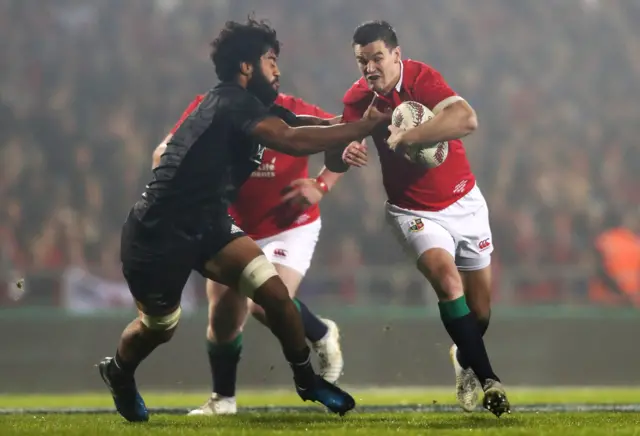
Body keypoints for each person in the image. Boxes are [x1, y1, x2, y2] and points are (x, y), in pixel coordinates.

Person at [97, 17, 388, 422]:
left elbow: (301, 123)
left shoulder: (253, 105)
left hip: (212, 223)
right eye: (271, 60)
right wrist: (360, 127)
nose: (278, 69)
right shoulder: (229, 103)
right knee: (159, 327)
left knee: (272, 296)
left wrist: (357, 127)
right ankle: (119, 373)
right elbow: (289, 138)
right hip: (159, 232)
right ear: (246, 67)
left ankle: (307, 382)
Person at [151, 90, 367, 415]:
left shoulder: (297, 111)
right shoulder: (210, 106)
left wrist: (321, 185)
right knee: (223, 317)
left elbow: (349, 136)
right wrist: (171, 163)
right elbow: (164, 152)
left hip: (289, 225)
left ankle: (321, 333)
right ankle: (223, 400)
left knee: (264, 302)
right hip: (231, 227)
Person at [340, 20, 510, 417]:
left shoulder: (423, 79)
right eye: (362, 61)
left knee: (480, 311)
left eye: (377, 58)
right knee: (447, 281)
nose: (369, 68)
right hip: (412, 211)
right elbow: (340, 148)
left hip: (465, 203)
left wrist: (410, 136)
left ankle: (464, 359)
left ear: (396, 55)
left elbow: (467, 120)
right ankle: (490, 382)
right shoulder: (357, 98)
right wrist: (343, 154)